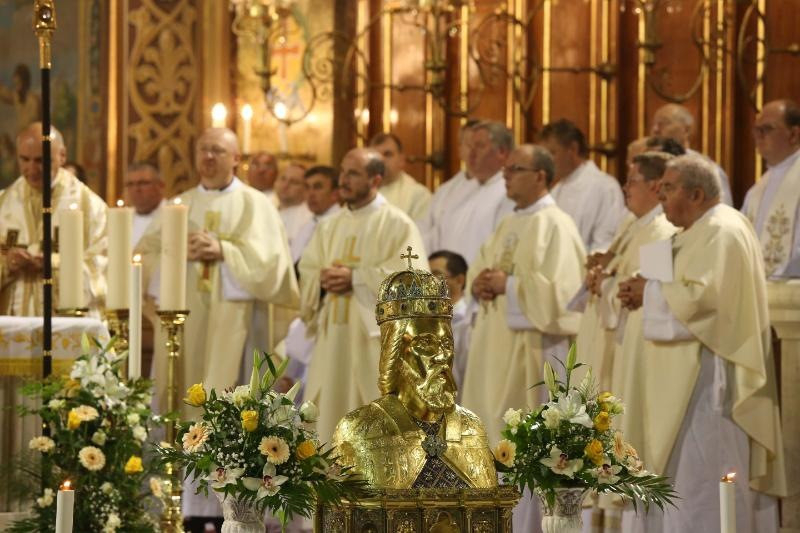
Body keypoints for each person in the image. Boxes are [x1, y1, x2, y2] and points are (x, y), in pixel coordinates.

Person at [616, 154, 785, 533]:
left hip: (706, 387)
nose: (660, 194)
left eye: (669, 187)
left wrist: (648, 292)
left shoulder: (724, 229)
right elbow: (664, 282)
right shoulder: (688, 232)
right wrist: (634, 287)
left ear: (695, 194)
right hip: (672, 384)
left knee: (702, 489)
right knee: (681, 486)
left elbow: (707, 303)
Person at [297, 148, 426, 442]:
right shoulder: (330, 225)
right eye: (343, 172)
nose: (343, 180)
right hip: (332, 340)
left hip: (372, 344)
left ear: (375, 179)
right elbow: (308, 269)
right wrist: (320, 280)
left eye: (353, 174)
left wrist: (355, 278)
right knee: (328, 421)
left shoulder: (397, 224)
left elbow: (413, 282)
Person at [332, 261, 497, 489]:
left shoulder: (471, 427)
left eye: (446, 344)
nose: (442, 356)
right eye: (426, 344)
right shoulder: (360, 430)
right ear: (395, 353)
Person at [462, 144, 585, 439]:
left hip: (532, 349)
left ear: (540, 176)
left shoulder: (557, 224)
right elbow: (481, 266)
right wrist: (477, 285)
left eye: (515, 169)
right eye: (506, 169)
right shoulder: (508, 222)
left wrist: (509, 285)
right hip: (493, 345)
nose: (506, 175)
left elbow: (565, 294)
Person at [576, 151, 677, 391]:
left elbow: (647, 295)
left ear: (654, 186)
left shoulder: (661, 231)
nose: (625, 188)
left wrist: (604, 283)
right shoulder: (632, 224)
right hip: (608, 335)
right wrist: (600, 268)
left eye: (632, 181)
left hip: (630, 345)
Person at [0, 122, 107, 316]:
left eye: (41, 160)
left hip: (65, 323)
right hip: (10, 323)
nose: (32, 168)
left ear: (62, 156)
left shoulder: (90, 207)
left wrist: (55, 264)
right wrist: (7, 264)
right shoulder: (3, 203)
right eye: (24, 159)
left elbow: (105, 266)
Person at [280, 165, 342, 395]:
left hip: (322, 310)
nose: (311, 194)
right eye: (307, 187)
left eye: (318, 187)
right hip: (302, 307)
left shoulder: (337, 224)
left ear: (335, 193)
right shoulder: (310, 224)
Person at [539, 119, 626, 252]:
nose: (547, 162)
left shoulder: (605, 187)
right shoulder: (556, 189)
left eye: (552, 153)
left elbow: (606, 242)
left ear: (573, 149)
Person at [435, 120, 515, 264]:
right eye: (470, 146)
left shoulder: (509, 192)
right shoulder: (459, 191)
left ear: (502, 152)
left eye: (480, 146)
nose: (471, 154)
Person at [742, 98, 800, 278]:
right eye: (756, 130)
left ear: (793, 134)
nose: (759, 136)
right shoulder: (756, 189)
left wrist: (775, 277)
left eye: (767, 129)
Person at [650, 103, 733, 205]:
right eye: (654, 124)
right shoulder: (646, 167)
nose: (655, 129)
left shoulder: (706, 170)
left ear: (686, 130)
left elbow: (721, 209)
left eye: (664, 123)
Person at [419, 120, 480, 252]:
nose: (473, 151)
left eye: (479, 145)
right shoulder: (445, 191)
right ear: (460, 149)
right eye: (469, 145)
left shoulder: (502, 187)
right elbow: (425, 229)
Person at [428, 250, 469, 394]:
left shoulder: (467, 323)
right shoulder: (425, 321)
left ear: (459, 280)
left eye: (436, 274)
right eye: (426, 275)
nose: (429, 282)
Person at [369, 132, 432, 222]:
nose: (381, 160)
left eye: (387, 154)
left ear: (401, 160)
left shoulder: (418, 195)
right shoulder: (361, 191)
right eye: (375, 155)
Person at [123, 162, 165, 247]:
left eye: (143, 183)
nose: (136, 189)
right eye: (130, 184)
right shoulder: (122, 219)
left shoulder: (174, 216)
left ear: (160, 186)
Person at [275, 162, 313, 247]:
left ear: (305, 189)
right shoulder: (267, 209)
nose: (285, 185)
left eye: (294, 182)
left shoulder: (308, 219)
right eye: (283, 179)